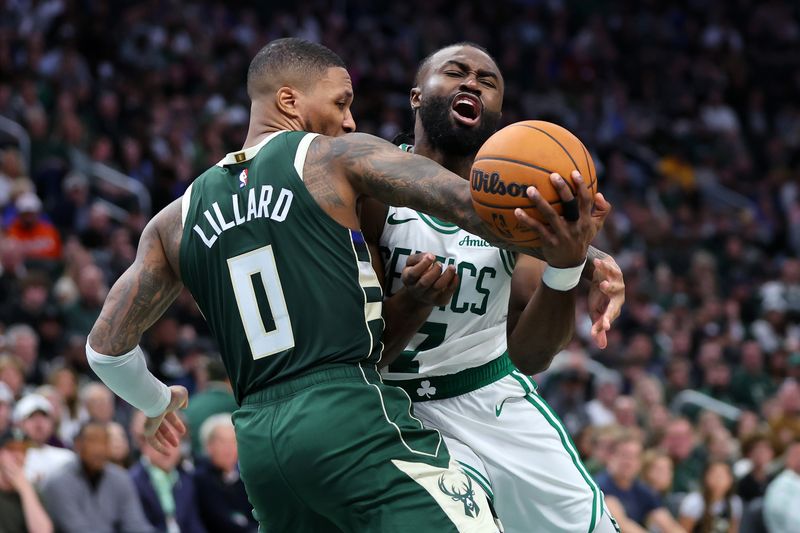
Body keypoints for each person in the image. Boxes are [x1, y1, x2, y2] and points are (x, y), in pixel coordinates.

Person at [84, 37, 590, 532]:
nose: (349, 120)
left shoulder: (173, 220)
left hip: (260, 446)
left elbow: (105, 351)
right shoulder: (333, 158)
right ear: (289, 100)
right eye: (341, 102)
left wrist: (156, 402)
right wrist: (581, 249)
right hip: (346, 415)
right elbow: (469, 205)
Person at [360, 42, 624, 533]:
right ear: (417, 96)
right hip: (396, 409)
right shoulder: (372, 185)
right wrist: (411, 302)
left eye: (487, 80)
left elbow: (531, 357)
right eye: (455, 72)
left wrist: (568, 266)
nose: (472, 83)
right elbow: (359, 344)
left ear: (498, 113)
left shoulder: (515, 211)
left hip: (489, 395)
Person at [40, 421, 155, 533]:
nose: (99, 449)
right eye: (92, 441)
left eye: (104, 441)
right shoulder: (58, 483)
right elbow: (75, 529)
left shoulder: (121, 479)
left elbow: (136, 525)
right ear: (78, 445)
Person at [595, 433, 686, 533]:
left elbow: (668, 524)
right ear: (611, 457)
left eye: (634, 457)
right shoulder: (600, 485)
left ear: (640, 462)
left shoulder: (642, 490)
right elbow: (621, 525)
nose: (628, 462)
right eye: (624, 455)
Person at [194, 413, 257, 533]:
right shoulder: (201, 479)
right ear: (208, 446)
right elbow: (220, 521)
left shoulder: (245, 477)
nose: (229, 448)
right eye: (222, 442)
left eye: (233, 441)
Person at [130, 434, 206, 533]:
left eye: (172, 443)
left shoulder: (186, 478)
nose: (167, 449)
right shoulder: (132, 481)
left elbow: (194, 523)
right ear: (145, 446)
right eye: (160, 443)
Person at [0, 430, 53, 533]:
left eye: (23, 450)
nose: (18, 456)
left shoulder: (31, 489)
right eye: (11, 449)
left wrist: (25, 489)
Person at [678, 461, 742, 533]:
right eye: (715, 475)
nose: (718, 479)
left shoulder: (734, 502)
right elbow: (682, 530)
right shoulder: (694, 501)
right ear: (705, 477)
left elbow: (733, 530)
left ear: (731, 480)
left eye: (723, 475)